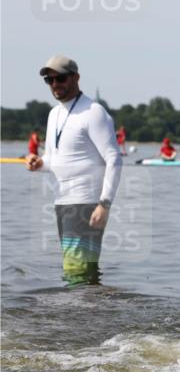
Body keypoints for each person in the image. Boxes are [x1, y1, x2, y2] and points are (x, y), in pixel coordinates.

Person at [24, 55, 122, 285]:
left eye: (60, 78)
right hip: (62, 201)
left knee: (75, 269)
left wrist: (104, 204)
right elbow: (52, 159)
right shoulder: (54, 114)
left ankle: (78, 307)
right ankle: (92, 307)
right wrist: (38, 163)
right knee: (83, 269)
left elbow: (114, 159)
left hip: (86, 202)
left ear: (76, 78)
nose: (55, 84)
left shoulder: (93, 112)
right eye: (49, 80)